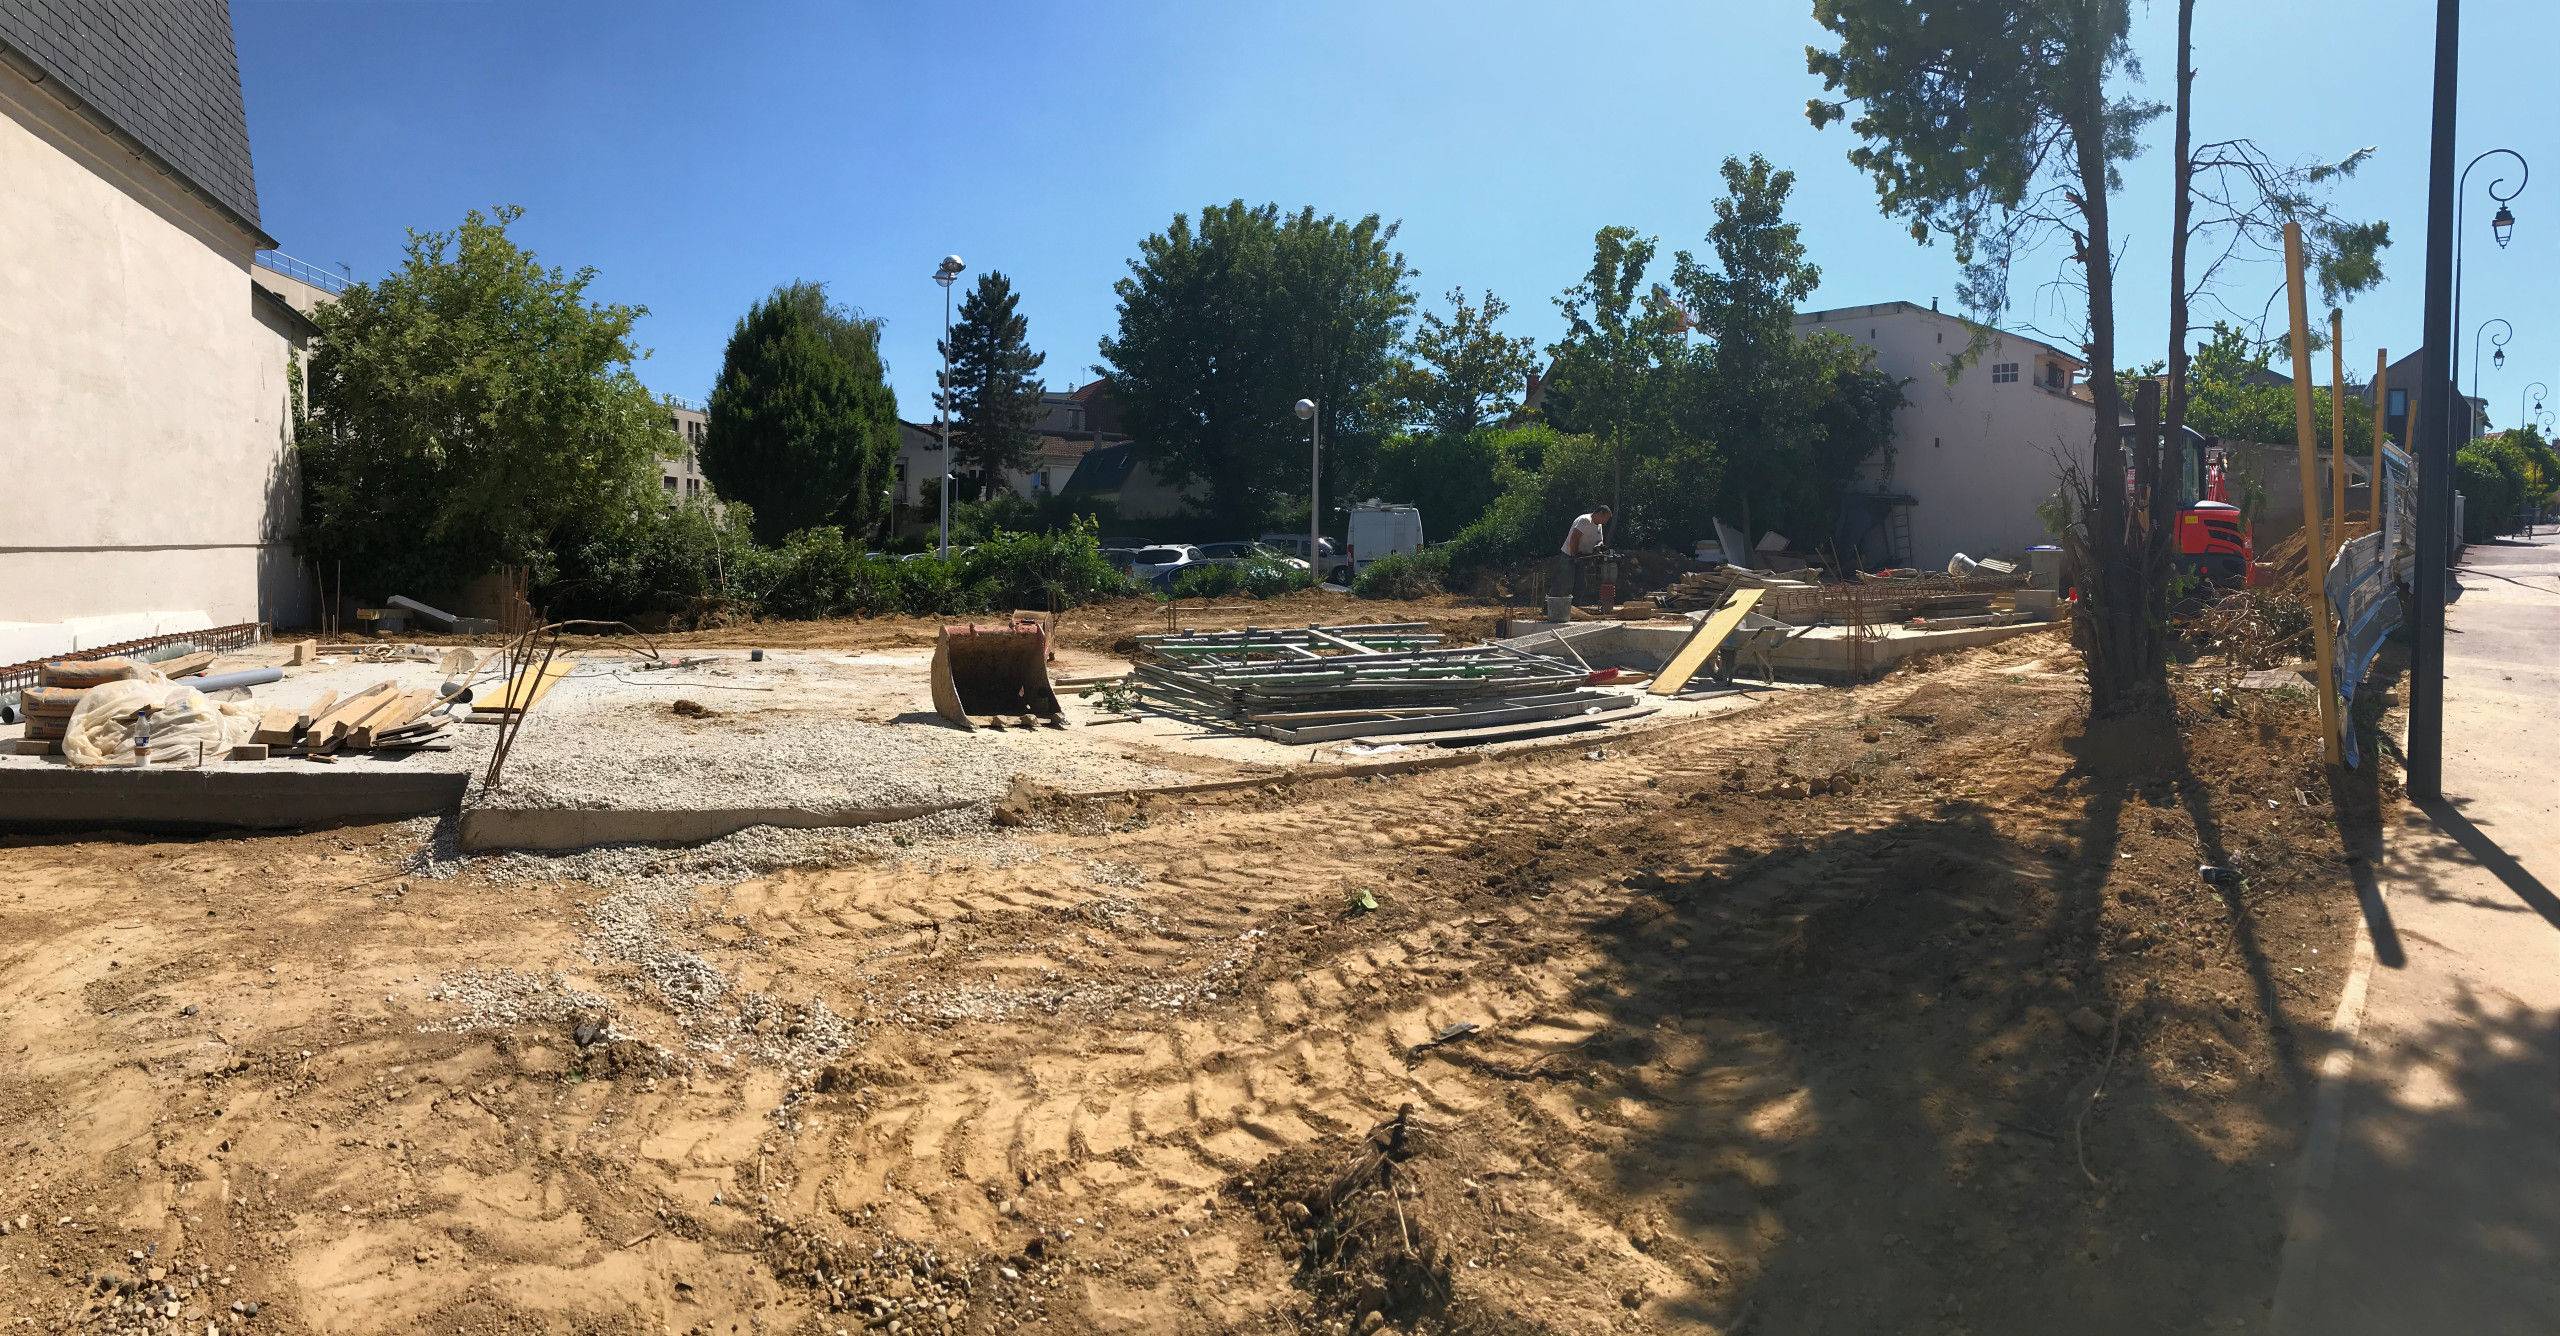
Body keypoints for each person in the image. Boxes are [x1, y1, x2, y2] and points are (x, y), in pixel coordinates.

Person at [1557, 505, 1610, 602]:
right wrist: (1574, 555)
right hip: (1569, 557)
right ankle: (1551, 609)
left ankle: (1573, 609)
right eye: (1605, 518)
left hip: (1581, 559)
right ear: (1600, 514)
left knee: (1580, 586)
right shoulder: (1584, 520)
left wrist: (1600, 546)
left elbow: (1599, 540)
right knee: (1565, 584)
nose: (1605, 522)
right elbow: (1574, 539)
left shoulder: (1599, 526)